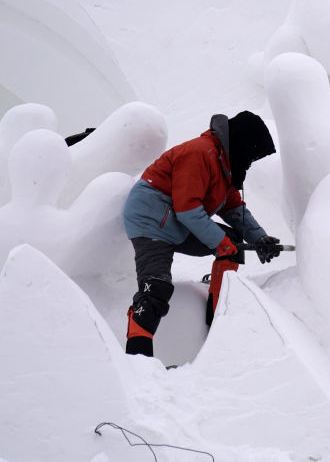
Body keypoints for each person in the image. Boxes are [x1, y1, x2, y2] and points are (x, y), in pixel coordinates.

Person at [121, 111, 284, 357]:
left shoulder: (224, 165)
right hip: (150, 220)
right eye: (252, 154)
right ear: (241, 143)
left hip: (177, 222)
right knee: (156, 289)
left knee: (232, 244)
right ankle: (138, 359)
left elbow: (233, 208)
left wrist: (259, 238)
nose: (250, 161)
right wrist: (220, 243)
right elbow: (188, 209)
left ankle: (219, 316)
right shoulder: (199, 153)